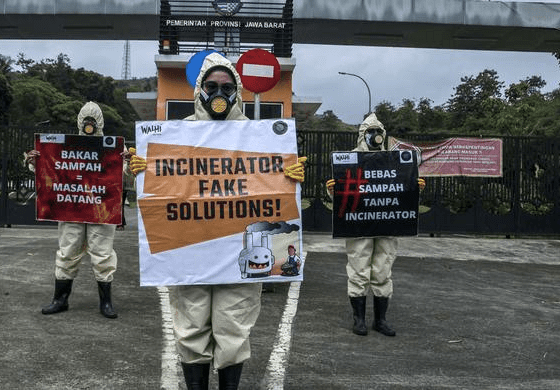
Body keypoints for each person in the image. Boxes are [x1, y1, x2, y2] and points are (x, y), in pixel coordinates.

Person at [129, 52, 305, 390]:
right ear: (200, 90)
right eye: (212, 86)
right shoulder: (175, 137)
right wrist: (142, 172)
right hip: (190, 252)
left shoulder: (258, 138)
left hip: (236, 254)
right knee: (191, 327)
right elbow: (165, 191)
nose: (219, 93)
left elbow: (269, 194)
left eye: (226, 86)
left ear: (237, 91)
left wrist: (290, 178)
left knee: (233, 328)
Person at [326, 113, 425, 337]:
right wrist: (333, 190)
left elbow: (402, 195)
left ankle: (380, 320)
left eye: (379, 132)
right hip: (358, 225)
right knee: (359, 269)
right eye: (371, 132)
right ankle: (359, 319)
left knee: (383, 270)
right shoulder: (350, 160)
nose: (376, 136)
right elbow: (345, 198)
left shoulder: (395, 161)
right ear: (363, 135)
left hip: (387, 224)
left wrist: (415, 187)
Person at [27, 101, 122, 319]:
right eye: (86, 119)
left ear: (99, 122)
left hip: (101, 210)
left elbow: (124, 172)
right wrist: (35, 161)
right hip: (72, 208)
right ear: (80, 121)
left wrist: (127, 161)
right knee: (68, 251)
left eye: (93, 119)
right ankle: (60, 299)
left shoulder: (113, 147)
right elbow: (51, 167)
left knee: (103, 254)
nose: (89, 123)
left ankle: (105, 302)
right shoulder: (64, 146)